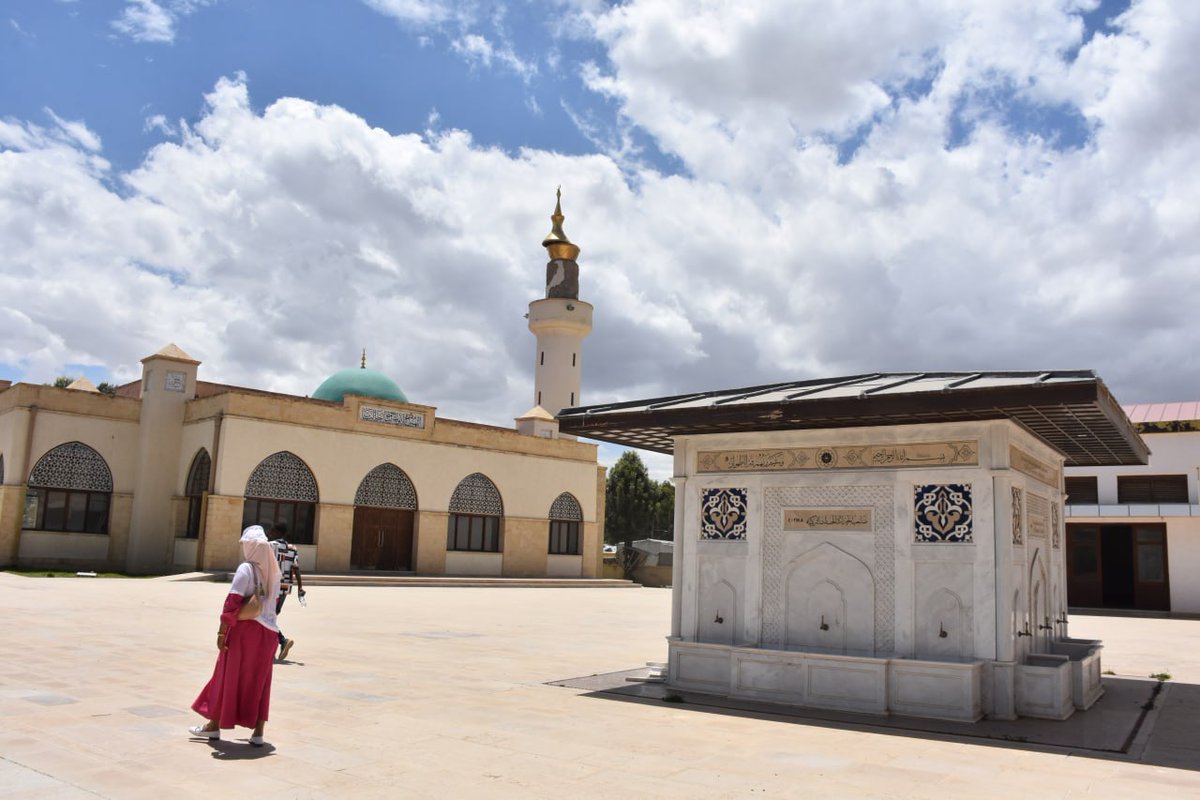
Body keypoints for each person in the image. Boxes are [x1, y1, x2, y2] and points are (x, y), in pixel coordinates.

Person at [189, 525, 282, 746]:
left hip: (245, 632)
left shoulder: (246, 569)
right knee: (260, 681)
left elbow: (232, 601)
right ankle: (258, 732)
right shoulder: (273, 571)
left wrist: (222, 631)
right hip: (269, 634)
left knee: (226, 675)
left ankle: (213, 726)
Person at [269, 522, 305, 661]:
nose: (270, 532)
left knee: (266, 617)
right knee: (271, 616)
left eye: (272, 530)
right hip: (285, 587)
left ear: (277, 532)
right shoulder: (292, 548)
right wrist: (300, 587)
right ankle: (275, 644)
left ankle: (282, 641)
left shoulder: (270, 546)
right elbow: (296, 568)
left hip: (271, 586)